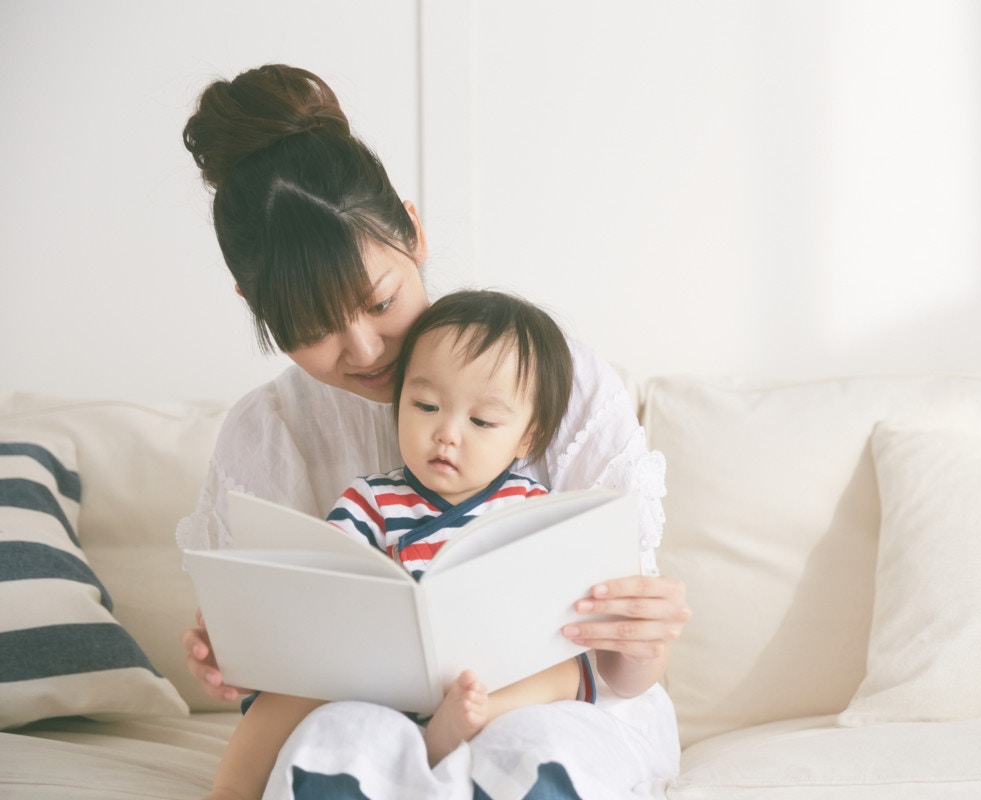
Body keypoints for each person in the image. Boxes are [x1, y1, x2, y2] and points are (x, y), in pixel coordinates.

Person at [177, 64, 689, 799]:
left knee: (535, 751)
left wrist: (643, 630)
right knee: (342, 740)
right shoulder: (269, 432)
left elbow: (614, 665)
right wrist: (239, 653)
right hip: (366, 719)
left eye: (380, 301)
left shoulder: (555, 381)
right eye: (313, 329)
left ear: (414, 234)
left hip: (552, 710)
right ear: (253, 304)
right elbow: (277, 681)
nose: (364, 350)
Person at [210, 290, 596, 797]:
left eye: (481, 421)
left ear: (528, 436)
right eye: (426, 406)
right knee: (297, 689)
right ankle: (230, 791)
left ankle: (469, 719)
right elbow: (328, 573)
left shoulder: (532, 507)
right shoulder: (371, 498)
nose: (446, 433)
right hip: (383, 680)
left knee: (565, 668)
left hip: (490, 676)